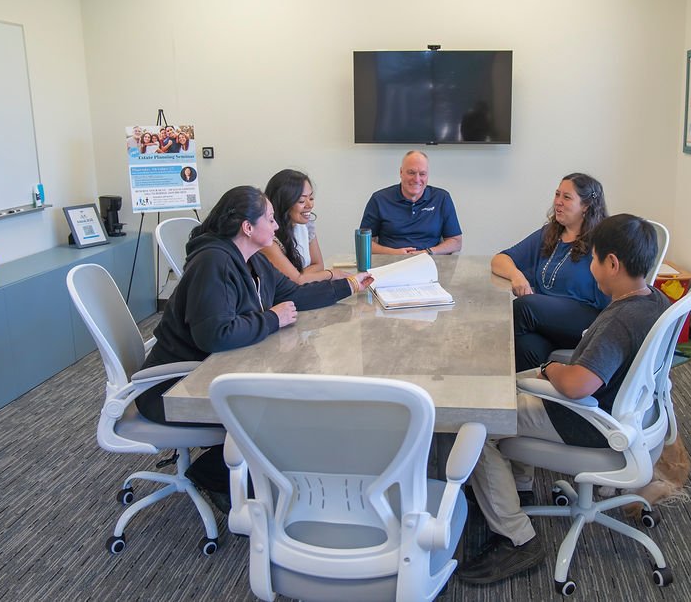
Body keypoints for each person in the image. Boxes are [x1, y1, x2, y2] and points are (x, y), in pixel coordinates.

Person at [458, 214, 671, 585]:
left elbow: (576, 384)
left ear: (612, 264)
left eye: (593, 258)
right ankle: (518, 487)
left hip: (585, 417)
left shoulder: (619, 321)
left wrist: (550, 370)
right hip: (625, 411)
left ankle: (517, 538)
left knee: (476, 421)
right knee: (503, 386)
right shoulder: (654, 300)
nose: (590, 266)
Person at [136, 185, 373, 510]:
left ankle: (250, 476)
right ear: (248, 227)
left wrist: (349, 285)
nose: (276, 227)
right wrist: (272, 319)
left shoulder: (254, 261)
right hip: (176, 389)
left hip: (217, 373)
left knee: (293, 402)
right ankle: (215, 474)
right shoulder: (212, 263)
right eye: (270, 219)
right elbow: (215, 335)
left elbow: (295, 294)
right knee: (286, 410)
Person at [492, 173, 610, 372]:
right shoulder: (550, 233)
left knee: (524, 307)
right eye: (557, 194)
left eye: (567, 197)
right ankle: (519, 389)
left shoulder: (600, 242)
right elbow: (499, 260)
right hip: (546, 322)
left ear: (586, 206)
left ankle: (485, 368)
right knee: (526, 347)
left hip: (586, 321)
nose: (558, 202)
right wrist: (516, 275)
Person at [359, 150, 462, 255]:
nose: (417, 179)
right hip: (391, 261)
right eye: (411, 173)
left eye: (422, 174)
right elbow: (363, 243)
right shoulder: (379, 199)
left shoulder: (441, 198)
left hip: (430, 260)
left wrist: (427, 252)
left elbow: (456, 242)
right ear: (401, 172)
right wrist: (395, 253)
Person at [262, 169, 350, 285]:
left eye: (311, 198)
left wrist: (300, 276)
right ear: (283, 203)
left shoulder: (306, 225)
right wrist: (331, 274)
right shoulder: (268, 239)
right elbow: (294, 281)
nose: (310, 205)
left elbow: (318, 265)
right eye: (302, 200)